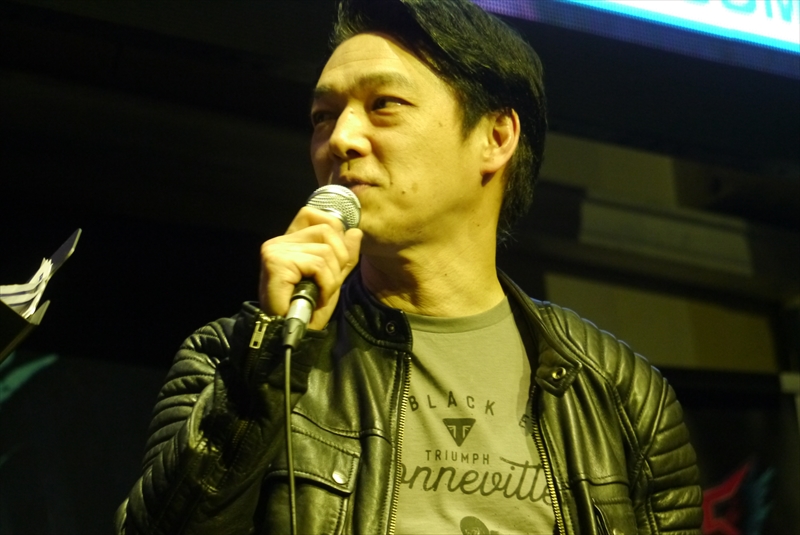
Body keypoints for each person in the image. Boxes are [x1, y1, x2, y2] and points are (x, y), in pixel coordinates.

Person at [115, 0, 703, 533]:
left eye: (384, 106)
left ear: (496, 137)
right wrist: (266, 365)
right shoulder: (231, 357)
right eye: (323, 116)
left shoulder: (621, 393)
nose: (341, 139)